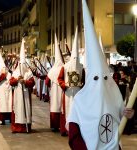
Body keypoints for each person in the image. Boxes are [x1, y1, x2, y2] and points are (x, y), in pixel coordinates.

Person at [66, 1, 134, 150]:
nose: (101, 83)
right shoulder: (80, 100)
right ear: (89, 79)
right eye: (96, 79)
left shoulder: (114, 94)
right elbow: (74, 135)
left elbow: (124, 126)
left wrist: (128, 116)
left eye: (105, 78)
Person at [58, 28, 85, 136]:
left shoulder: (81, 68)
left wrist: (82, 85)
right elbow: (60, 79)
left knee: (77, 110)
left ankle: (76, 129)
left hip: (78, 93)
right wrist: (65, 85)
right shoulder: (64, 67)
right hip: (68, 93)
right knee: (68, 110)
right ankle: (66, 129)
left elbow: (84, 81)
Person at [9, 39, 35, 133]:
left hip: (26, 95)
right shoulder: (15, 72)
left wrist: (25, 81)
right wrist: (17, 80)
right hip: (17, 95)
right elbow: (11, 82)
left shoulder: (28, 72)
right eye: (21, 64)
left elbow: (32, 83)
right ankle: (17, 128)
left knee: (26, 110)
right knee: (18, 110)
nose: (22, 66)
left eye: (24, 64)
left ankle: (26, 127)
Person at [45, 34, 64, 132]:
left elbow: (47, 82)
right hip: (63, 91)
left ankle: (55, 126)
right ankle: (63, 126)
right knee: (63, 107)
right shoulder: (64, 68)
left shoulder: (51, 70)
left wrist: (51, 87)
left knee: (55, 106)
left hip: (54, 91)